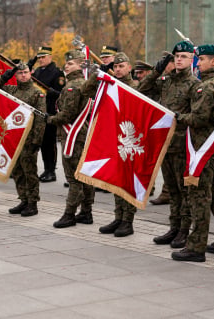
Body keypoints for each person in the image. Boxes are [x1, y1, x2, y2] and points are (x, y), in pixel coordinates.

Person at [171, 44, 214, 262]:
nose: (197, 63)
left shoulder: (206, 88)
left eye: (201, 60)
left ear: (213, 62)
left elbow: (198, 119)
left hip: (203, 148)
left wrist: (178, 117)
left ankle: (196, 246)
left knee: (200, 197)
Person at [139, 41, 198, 248]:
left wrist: (180, 118)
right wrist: (157, 70)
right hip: (166, 143)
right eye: (176, 57)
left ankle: (184, 230)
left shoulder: (194, 84)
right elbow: (142, 89)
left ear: (192, 60)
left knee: (184, 191)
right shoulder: (166, 80)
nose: (179, 60)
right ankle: (173, 228)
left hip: (183, 144)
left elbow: (195, 115)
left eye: (183, 56)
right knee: (172, 190)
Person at [81, 52, 139, 237]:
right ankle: (118, 217)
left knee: (127, 181)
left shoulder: (136, 86)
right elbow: (85, 90)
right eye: (116, 67)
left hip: (129, 139)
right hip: (113, 136)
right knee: (116, 179)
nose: (119, 69)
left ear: (129, 67)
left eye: (122, 66)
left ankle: (128, 221)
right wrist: (100, 73)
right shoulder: (110, 84)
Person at [46, 50, 95, 228]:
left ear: (81, 65)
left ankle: (69, 214)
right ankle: (86, 212)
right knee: (84, 176)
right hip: (82, 134)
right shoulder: (83, 83)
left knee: (74, 178)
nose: (67, 66)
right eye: (66, 63)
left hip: (72, 136)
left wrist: (50, 119)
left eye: (71, 63)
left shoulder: (73, 86)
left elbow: (67, 114)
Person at [0, 62, 47, 217]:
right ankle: (23, 198)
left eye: (25, 72)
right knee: (17, 171)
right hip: (13, 139)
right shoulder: (12, 90)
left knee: (29, 172)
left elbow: (40, 118)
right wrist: (7, 74)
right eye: (20, 73)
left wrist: (36, 141)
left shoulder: (37, 93)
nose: (23, 75)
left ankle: (32, 203)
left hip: (29, 139)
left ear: (30, 73)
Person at [31, 46, 65, 183]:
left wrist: (52, 92)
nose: (40, 60)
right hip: (38, 110)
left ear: (50, 57)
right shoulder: (38, 71)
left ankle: (51, 171)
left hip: (50, 110)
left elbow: (62, 94)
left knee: (49, 142)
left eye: (43, 57)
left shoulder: (57, 73)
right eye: (39, 57)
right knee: (42, 142)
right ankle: (46, 169)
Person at [149, 51, 175, 206]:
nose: (165, 65)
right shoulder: (163, 80)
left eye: (167, 62)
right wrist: (156, 71)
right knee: (166, 167)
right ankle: (167, 193)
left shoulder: (188, 82)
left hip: (179, 133)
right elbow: (145, 87)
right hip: (164, 130)